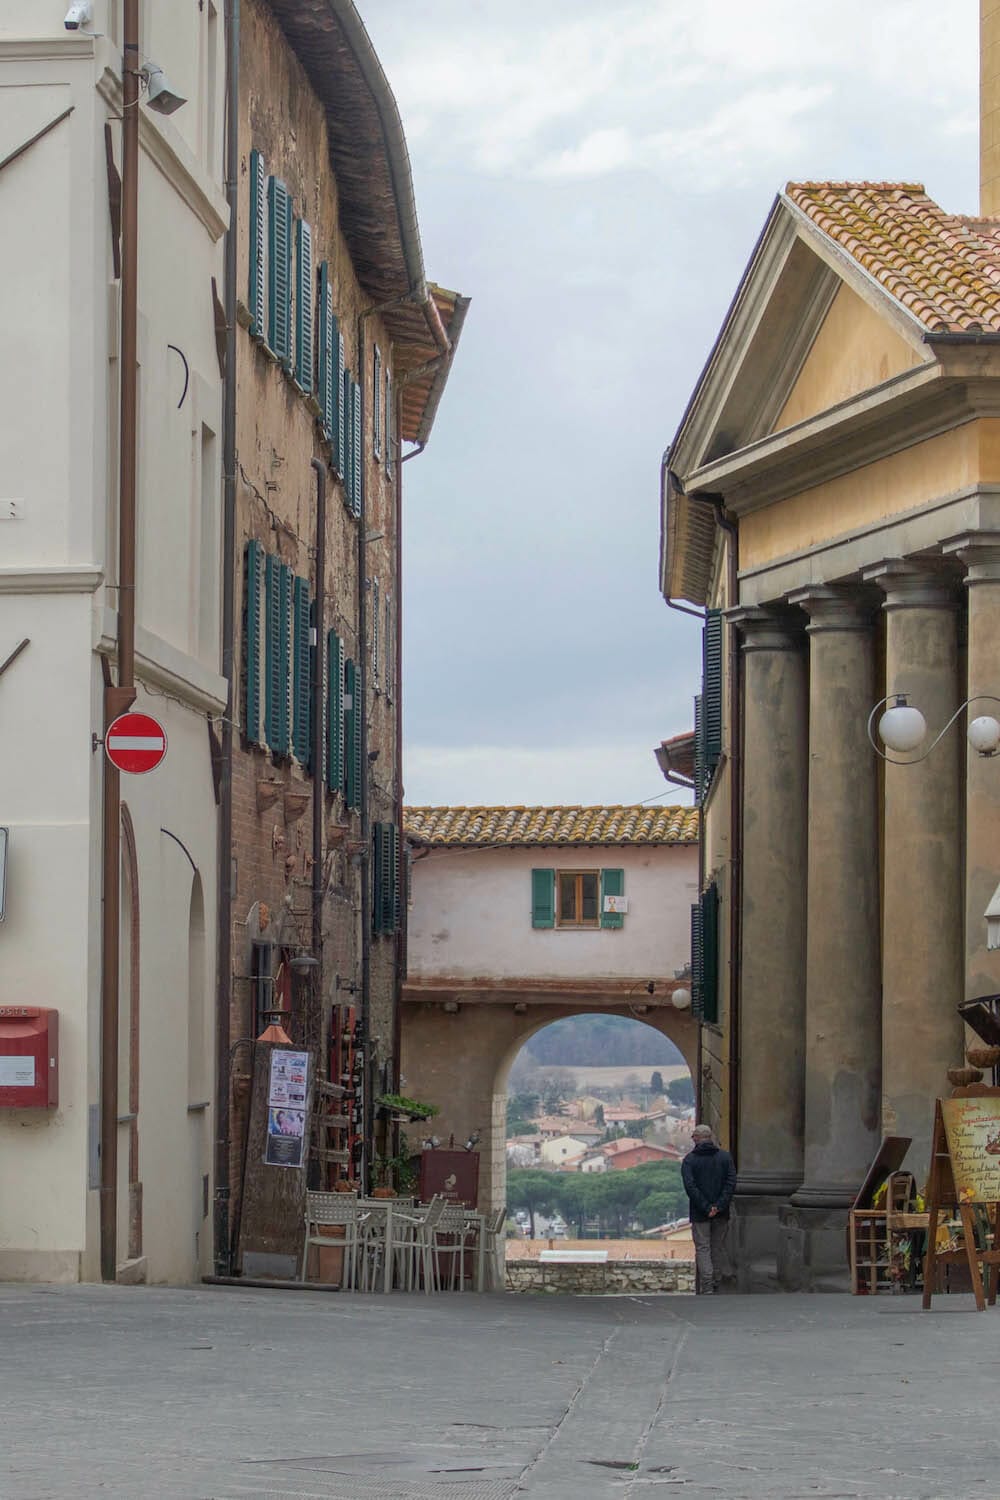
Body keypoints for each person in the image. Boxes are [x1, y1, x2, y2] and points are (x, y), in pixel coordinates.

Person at [681, 1124, 736, 1294]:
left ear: (697, 1138)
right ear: (711, 1137)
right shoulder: (725, 1158)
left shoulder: (690, 1160)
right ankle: (717, 1281)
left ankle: (707, 1285)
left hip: (700, 1213)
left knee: (703, 1247)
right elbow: (731, 1182)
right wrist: (719, 1206)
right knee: (717, 1246)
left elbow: (690, 1187)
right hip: (722, 1212)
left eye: (693, 1137)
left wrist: (706, 1207)